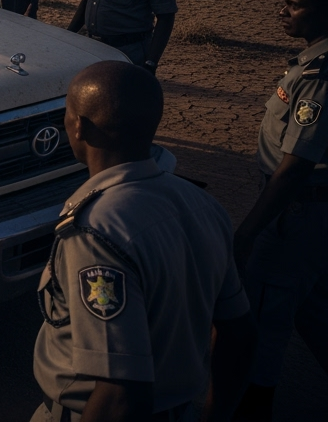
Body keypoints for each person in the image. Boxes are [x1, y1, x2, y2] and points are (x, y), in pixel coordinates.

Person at [32, 61, 255, 421]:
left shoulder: (96, 230)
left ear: (78, 126)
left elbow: (120, 391)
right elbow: (239, 334)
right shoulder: (202, 205)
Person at [231, 0, 328, 420]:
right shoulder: (311, 63)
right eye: (285, 2)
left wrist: (249, 231)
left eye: (296, 5)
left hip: (294, 213)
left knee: (266, 320)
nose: (283, 12)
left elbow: (294, 167)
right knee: (312, 308)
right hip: (309, 215)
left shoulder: (320, 78)